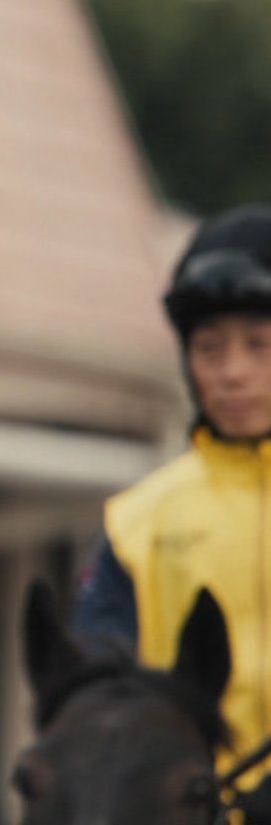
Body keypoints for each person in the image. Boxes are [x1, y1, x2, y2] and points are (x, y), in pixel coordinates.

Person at [72, 204, 271, 812]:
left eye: (259, 346)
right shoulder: (138, 521)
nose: (232, 373)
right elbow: (98, 697)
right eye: (209, 349)